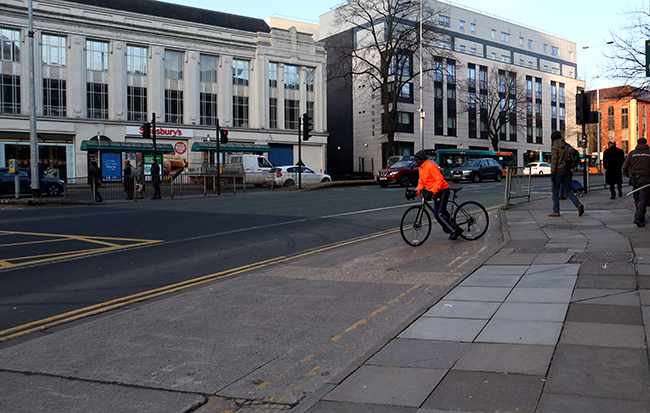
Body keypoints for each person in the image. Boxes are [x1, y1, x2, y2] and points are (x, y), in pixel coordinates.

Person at [407, 150, 463, 240]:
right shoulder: (421, 168)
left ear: (422, 159)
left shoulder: (430, 166)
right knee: (442, 212)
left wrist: (432, 192)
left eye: (417, 160)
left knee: (438, 214)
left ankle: (454, 230)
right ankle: (454, 226)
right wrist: (414, 193)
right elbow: (421, 183)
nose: (415, 162)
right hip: (436, 192)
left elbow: (439, 180)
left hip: (442, 190)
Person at [549, 130, 585, 217]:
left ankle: (556, 211)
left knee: (555, 191)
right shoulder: (566, 145)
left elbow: (554, 161)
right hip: (568, 171)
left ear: (553, 139)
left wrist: (552, 172)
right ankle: (578, 204)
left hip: (559, 171)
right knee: (567, 190)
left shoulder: (555, 147)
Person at [622, 137, 650, 227]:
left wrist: (628, 176)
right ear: (646, 143)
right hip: (646, 178)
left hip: (635, 178)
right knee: (643, 197)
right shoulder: (649, 153)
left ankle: (640, 216)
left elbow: (625, 167)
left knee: (637, 197)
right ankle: (638, 217)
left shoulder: (632, 153)